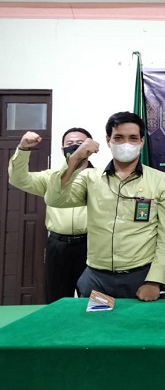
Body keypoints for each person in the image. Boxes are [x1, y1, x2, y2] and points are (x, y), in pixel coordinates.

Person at [45, 111, 165, 301]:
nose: (126, 143)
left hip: (141, 276)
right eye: (119, 137)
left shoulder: (160, 180)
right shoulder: (89, 178)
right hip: (96, 278)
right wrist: (74, 160)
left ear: (142, 141)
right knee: (94, 322)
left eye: (133, 138)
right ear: (108, 140)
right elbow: (55, 199)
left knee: (141, 321)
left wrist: (155, 281)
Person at [8, 128, 97, 303]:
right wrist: (23, 149)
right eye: (70, 143)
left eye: (80, 143)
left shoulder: (101, 176)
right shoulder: (51, 177)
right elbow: (18, 179)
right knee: (56, 298)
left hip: (92, 245)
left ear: (90, 147)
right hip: (58, 246)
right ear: (62, 149)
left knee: (93, 299)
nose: (75, 147)